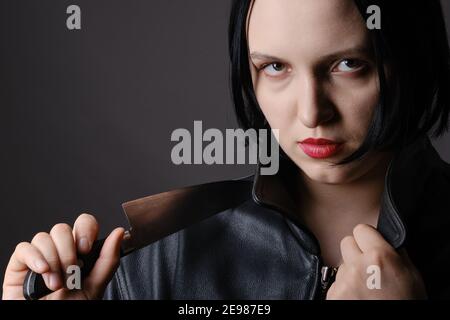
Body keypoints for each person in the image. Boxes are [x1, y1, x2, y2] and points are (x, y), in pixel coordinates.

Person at [3, 0, 450, 300]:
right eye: (275, 67)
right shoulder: (164, 254)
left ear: (410, 60)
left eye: (349, 64)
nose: (312, 112)